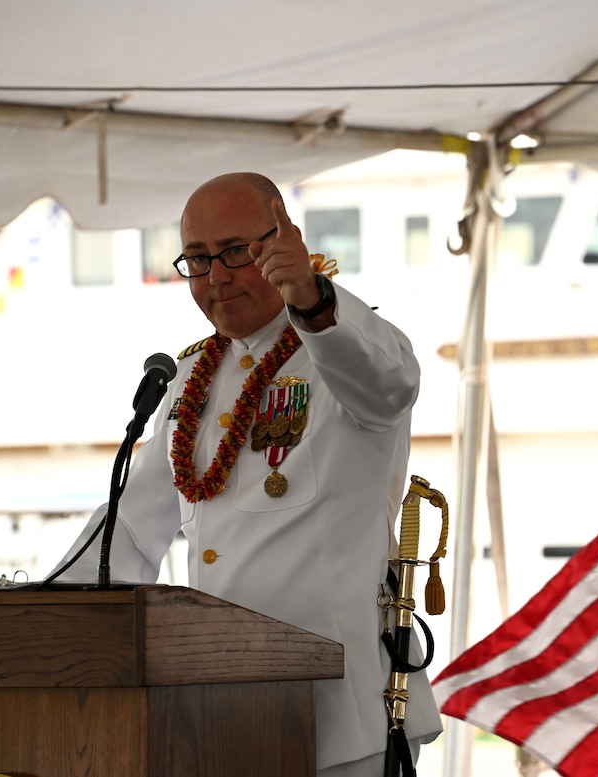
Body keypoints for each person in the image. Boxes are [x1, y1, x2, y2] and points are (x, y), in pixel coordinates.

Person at [52, 172, 442, 775]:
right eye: (199, 259)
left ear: (284, 239)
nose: (217, 276)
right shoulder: (190, 379)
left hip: (344, 717)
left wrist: (312, 299)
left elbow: (391, 386)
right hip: (225, 706)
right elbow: (129, 530)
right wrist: (42, 614)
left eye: (237, 251)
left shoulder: (343, 344)